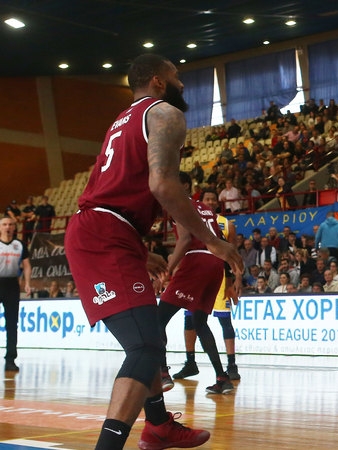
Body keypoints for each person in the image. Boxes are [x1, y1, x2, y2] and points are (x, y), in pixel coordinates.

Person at [63, 54, 243, 450]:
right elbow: (162, 185)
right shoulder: (164, 113)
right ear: (159, 81)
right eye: (177, 76)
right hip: (105, 234)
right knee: (145, 346)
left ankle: (159, 425)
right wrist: (212, 240)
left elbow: (108, 190)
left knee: (148, 341)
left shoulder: (121, 121)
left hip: (103, 229)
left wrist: (139, 248)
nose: (183, 84)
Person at [171, 186, 242, 383]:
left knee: (224, 321)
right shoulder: (193, 218)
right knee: (190, 319)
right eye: (207, 199)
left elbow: (233, 254)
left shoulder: (227, 225)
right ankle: (190, 362)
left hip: (219, 276)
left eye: (213, 199)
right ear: (200, 201)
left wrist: (236, 278)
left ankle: (231, 365)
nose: (210, 202)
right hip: (197, 274)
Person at [0, 217, 31, 372]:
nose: (8, 227)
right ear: (0, 227)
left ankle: (10, 359)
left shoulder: (20, 245)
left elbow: (27, 265)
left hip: (12, 284)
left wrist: (27, 282)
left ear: (14, 227)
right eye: (4, 224)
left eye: (11, 224)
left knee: (12, 324)